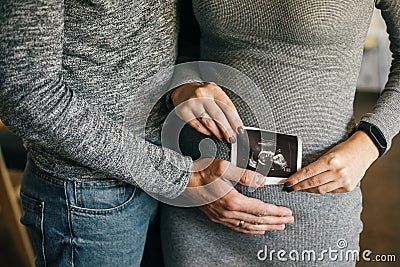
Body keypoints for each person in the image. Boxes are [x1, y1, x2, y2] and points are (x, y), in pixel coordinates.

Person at [0, 1, 295, 266]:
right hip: (91, 196)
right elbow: (25, 95)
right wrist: (180, 177)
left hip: (168, 170)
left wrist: (183, 86)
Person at [160, 0, 400, 266]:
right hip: (201, 198)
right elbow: (177, 43)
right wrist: (182, 87)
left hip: (312, 213)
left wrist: (371, 141)